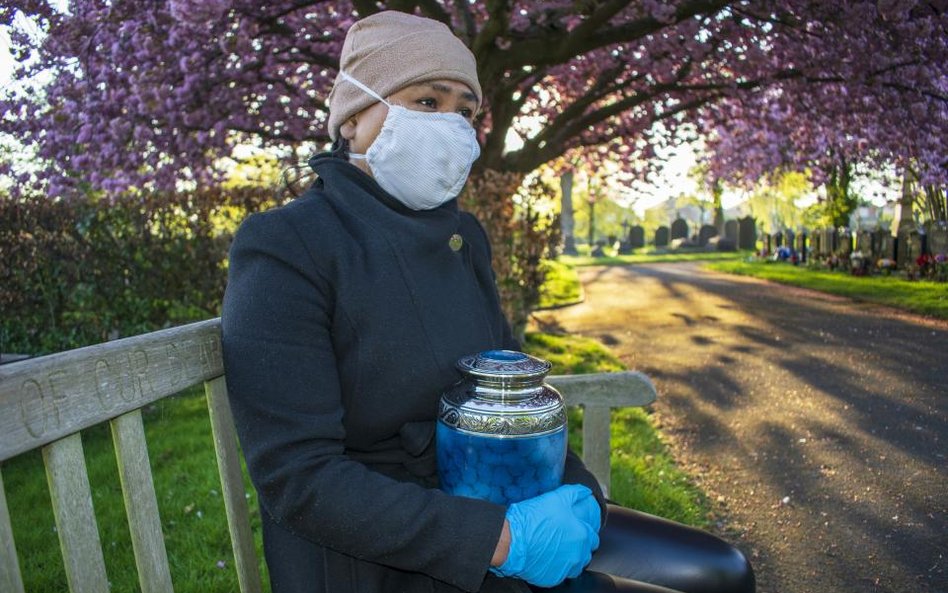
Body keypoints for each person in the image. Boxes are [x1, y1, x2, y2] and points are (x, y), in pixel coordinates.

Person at [222, 10, 755, 593]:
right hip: (380, 554)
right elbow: (298, 479)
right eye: (428, 101)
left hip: (504, 499)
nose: (451, 125)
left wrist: (574, 492)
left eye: (465, 111)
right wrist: (502, 540)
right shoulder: (287, 244)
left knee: (724, 572)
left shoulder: (464, 238)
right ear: (352, 118)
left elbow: (512, 384)